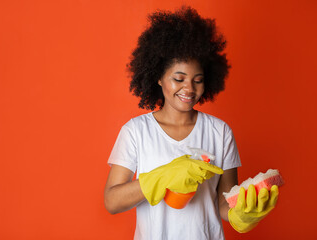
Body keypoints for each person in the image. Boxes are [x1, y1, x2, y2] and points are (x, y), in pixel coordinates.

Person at [104, 6, 279, 240]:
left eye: (198, 80)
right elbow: (112, 201)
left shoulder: (220, 132)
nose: (189, 88)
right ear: (158, 77)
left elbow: (223, 203)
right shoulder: (136, 131)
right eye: (179, 79)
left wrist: (243, 214)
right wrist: (162, 176)